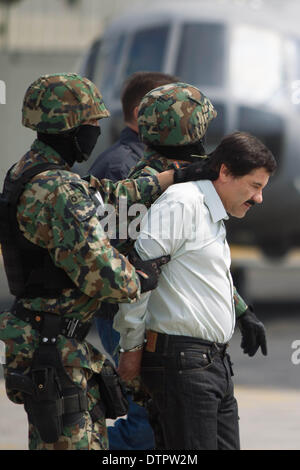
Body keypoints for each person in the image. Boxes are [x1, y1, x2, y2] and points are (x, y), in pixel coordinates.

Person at [0, 73, 211, 450]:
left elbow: (110, 194)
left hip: (50, 339)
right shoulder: (58, 190)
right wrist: (142, 275)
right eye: (91, 124)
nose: (97, 130)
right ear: (69, 126)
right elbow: (102, 276)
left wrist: (175, 176)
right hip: (56, 348)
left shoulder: (35, 172)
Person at [114, 123, 276, 448]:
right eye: (254, 186)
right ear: (226, 172)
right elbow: (138, 278)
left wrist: (243, 313)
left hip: (211, 365)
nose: (259, 198)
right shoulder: (182, 204)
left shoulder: (212, 211)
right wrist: (131, 349)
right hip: (182, 367)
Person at [89, 71, 179, 450]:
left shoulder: (146, 160)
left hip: (145, 311)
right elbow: (119, 257)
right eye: (173, 109)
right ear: (145, 112)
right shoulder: (122, 168)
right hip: (125, 314)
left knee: (157, 420)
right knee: (144, 426)